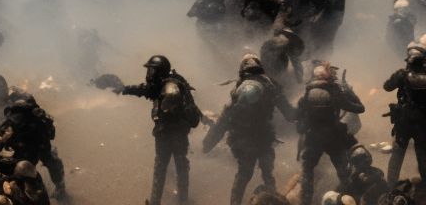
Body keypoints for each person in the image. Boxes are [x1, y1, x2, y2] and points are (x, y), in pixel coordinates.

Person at [203, 54, 295, 205]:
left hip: (243, 139)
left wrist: (208, 143)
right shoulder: (270, 86)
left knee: (243, 175)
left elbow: (224, 120)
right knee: (268, 175)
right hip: (263, 137)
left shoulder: (239, 90)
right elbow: (289, 113)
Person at [120, 55, 202, 204]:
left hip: (168, 134)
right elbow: (144, 90)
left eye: (152, 71)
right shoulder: (166, 83)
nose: (150, 74)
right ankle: (182, 200)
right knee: (180, 167)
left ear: (160, 71)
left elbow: (170, 96)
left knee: (162, 168)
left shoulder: (169, 86)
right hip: (177, 134)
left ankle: (157, 201)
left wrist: (167, 108)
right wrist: (122, 89)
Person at [296, 62, 365, 205]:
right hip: (333, 137)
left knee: (307, 172)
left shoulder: (307, 92)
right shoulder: (334, 91)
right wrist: (349, 91)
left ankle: (305, 201)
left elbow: (296, 115)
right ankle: (350, 199)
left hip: (313, 138)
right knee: (343, 172)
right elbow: (359, 108)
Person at [383, 41, 426, 185]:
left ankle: (390, 187)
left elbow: (387, 87)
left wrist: (399, 75)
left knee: (397, 156)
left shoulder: (402, 75)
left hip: (404, 122)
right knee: (423, 157)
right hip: (423, 124)